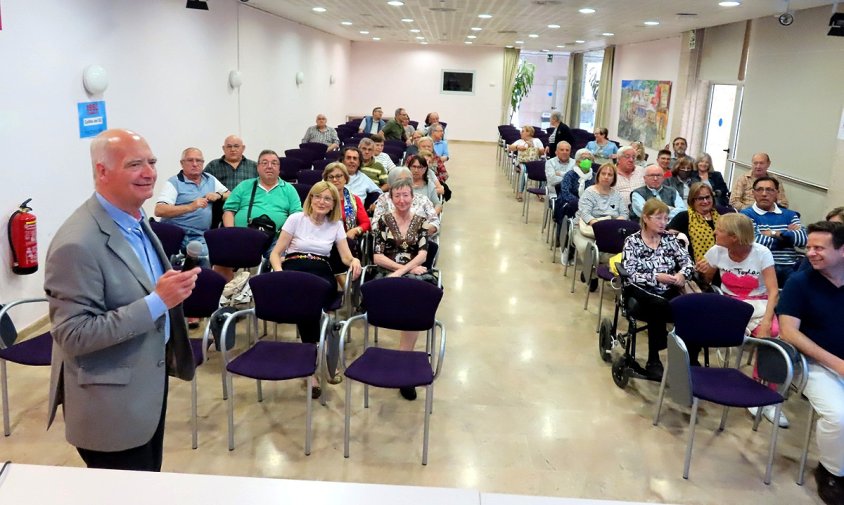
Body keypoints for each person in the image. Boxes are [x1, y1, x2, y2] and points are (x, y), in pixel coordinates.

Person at [45, 128, 198, 471]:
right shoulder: (78, 243)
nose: (149, 173)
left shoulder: (134, 216)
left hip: (143, 391)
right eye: (134, 164)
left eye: (152, 162)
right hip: (111, 409)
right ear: (102, 171)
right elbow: (73, 334)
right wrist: (158, 301)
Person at [268, 181, 362, 398]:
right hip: (293, 267)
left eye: (327, 198)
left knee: (309, 298)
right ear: (310, 199)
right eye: (317, 197)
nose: (321, 202)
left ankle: (311, 361)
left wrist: (355, 260)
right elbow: (276, 253)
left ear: (333, 204)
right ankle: (320, 352)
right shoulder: (296, 219)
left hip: (321, 271)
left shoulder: (336, 224)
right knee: (306, 299)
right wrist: (279, 272)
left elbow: (346, 256)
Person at [695, 212, 785, 426]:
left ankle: (764, 396)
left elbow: (774, 291)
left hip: (759, 303)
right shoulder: (717, 251)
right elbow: (706, 282)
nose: (715, 231)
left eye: (719, 229)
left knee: (772, 335)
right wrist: (704, 272)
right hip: (728, 304)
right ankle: (695, 377)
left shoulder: (762, 253)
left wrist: (765, 323)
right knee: (696, 324)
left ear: (734, 236)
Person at [778, 221, 844, 505]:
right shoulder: (800, 283)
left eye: (820, 248)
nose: (811, 253)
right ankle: (831, 472)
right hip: (814, 364)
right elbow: (790, 331)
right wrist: (838, 364)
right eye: (809, 247)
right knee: (839, 417)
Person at [371, 179, 433, 401]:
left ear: (412, 197)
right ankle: (399, 360)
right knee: (400, 291)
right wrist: (401, 270)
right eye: (397, 196)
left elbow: (423, 254)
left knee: (416, 298)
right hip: (386, 269)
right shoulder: (382, 222)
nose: (402, 200)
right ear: (391, 198)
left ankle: (404, 359)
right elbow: (377, 256)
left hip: (413, 269)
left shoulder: (421, 221)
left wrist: (405, 270)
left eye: (406, 195)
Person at [622, 199, 694, 380]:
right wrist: (655, 276)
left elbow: (688, 263)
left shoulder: (671, 240)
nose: (664, 223)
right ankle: (654, 360)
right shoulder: (632, 241)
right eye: (659, 218)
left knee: (691, 306)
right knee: (657, 304)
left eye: (666, 219)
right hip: (640, 290)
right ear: (645, 218)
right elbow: (630, 273)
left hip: (669, 288)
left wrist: (682, 275)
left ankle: (691, 356)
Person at [221, 149, 302, 275]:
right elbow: (228, 211)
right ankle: (227, 292)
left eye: (274, 163)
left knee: (286, 261)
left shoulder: (289, 189)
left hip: (276, 238)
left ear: (279, 168)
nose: (269, 166)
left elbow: (297, 217)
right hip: (243, 235)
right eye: (264, 163)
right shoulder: (244, 186)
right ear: (258, 167)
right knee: (221, 255)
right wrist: (231, 233)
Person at [154, 147, 229, 264]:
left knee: (213, 255)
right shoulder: (174, 182)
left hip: (199, 235)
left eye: (198, 161)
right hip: (177, 235)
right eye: (190, 160)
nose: (195, 164)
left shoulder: (210, 179)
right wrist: (190, 207)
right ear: (182, 163)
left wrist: (219, 195)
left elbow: (230, 195)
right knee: (203, 256)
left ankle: (202, 281)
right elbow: (159, 210)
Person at [740, 176, 806, 286]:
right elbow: (754, 241)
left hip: (789, 266)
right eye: (760, 189)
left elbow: (803, 239)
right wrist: (788, 238)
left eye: (769, 190)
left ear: (777, 193)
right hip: (759, 267)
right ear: (753, 193)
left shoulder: (790, 214)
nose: (764, 194)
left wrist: (773, 233)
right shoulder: (746, 215)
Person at [572, 163, 629, 290]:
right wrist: (600, 226)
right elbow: (585, 213)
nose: (606, 177)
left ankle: (602, 269)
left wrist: (618, 222)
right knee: (585, 248)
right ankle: (591, 274)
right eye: (603, 174)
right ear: (598, 176)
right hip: (587, 228)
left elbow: (624, 212)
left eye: (610, 175)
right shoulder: (589, 192)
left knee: (622, 250)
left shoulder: (617, 195)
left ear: (614, 178)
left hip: (611, 229)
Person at [204, 134, 258, 229]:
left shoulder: (254, 166)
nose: (233, 149)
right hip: (220, 209)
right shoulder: (213, 166)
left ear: (243, 148)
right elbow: (203, 187)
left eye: (236, 146)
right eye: (229, 146)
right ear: (223, 148)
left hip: (247, 208)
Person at [372, 167, 440, 236]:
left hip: (419, 240)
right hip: (390, 240)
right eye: (399, 180)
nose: (404, 183)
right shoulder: (384, 199)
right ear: (391, 183)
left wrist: (419, 232)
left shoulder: (423, 199)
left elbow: (435, 222)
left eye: (408, 180)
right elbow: (375, 224)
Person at [667, 182, 721, 262]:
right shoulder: (684, 216)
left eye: (708, 197)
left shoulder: (721, 216)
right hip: (691, 265)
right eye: (700, 198)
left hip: (721, 264)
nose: (705, 201)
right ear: (692, 200)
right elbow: (669, 239)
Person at [509, 126, 544, 202]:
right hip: (522, 162)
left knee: (543, 170)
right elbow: (510, 148)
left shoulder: (537, 141)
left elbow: (542, 152)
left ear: (529, 132)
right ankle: (520, 193)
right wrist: (518, 147)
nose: (521, 132)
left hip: (534, 163)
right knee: (524, 170)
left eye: (523, 131)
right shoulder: (520, 141)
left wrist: (533, 146)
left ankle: (540, 192)